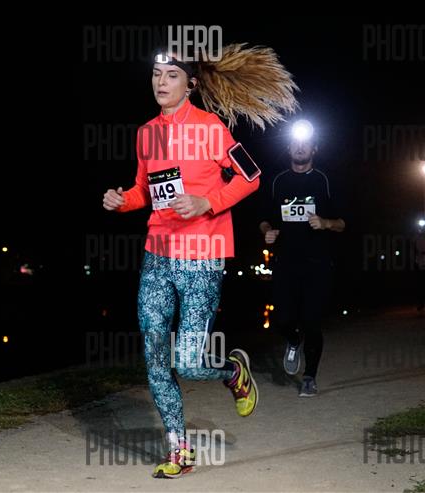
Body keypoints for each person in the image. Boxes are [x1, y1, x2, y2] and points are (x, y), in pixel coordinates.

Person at [102, 44, 297, 478]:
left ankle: (232, 371)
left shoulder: (211, 128)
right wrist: (121, 200)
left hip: (202, 256)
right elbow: (144, 191)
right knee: (156, 358)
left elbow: (251, 176)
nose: (161, 82)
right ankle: (180, 451)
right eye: (156, 74)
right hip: (157, 254)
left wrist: (207, 201)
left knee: (189, 363)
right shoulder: (146, 133)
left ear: (190, 84)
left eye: (171, 75)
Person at [259, 120, 345, 397]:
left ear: (314, 149)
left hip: (318, 263)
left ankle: (309, 376)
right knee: (282, 320)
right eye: (295, 143)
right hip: (285, 262)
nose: (299, 147)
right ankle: (293, 341)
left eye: (305, 143)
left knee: (312, 321)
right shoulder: (278, 181)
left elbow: (343, 223)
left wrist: (326, 223)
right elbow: (264, 219)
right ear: (288, 149)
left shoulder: (325, 180)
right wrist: (267, 231)